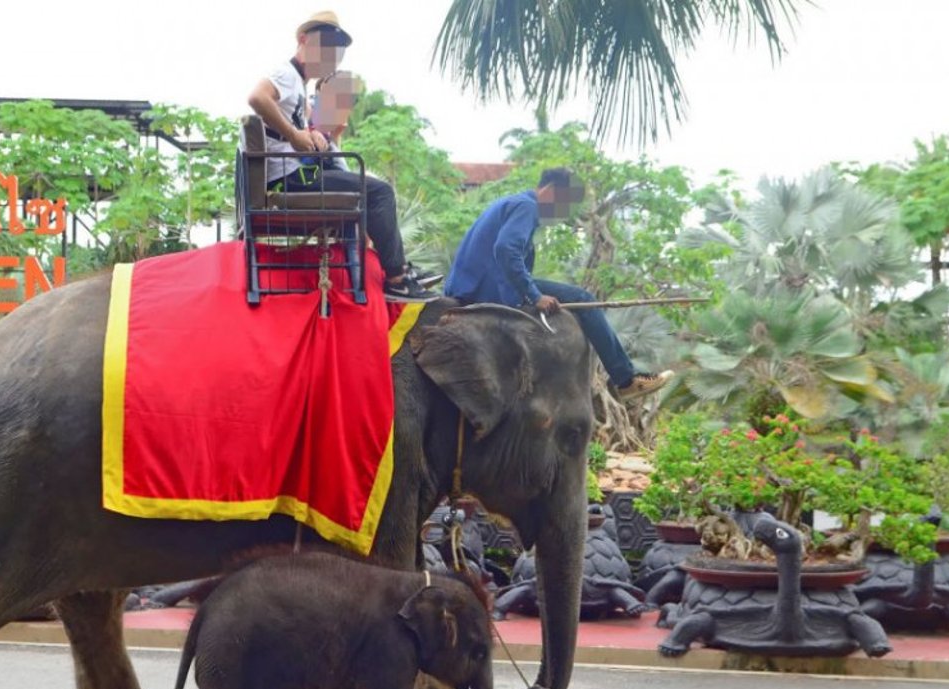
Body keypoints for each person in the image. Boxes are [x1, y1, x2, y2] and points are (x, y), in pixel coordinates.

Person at [246, 11, 439, 302]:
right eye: (326, 50)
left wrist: (310, 135)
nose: (330, 60)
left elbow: (298, 130)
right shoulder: (286, 74)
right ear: (304, 40)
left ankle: (398, 268)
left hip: (291, 174)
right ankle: (397, 280)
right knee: (379, 192)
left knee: (368, 186)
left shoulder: (299, 85)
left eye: (335, 55)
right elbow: (257, 97)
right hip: (288, 180)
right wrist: (295, 135)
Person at [445, 168, 673, 401]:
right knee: (584, 298)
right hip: (487, 288)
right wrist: (534, 296)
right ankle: (625, 380)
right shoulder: (527, 206)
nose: (561, 213)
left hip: (473, 284)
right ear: (551, 190)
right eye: (563, 204)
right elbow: (505, 250)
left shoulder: (512, 203)